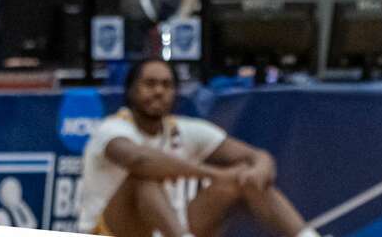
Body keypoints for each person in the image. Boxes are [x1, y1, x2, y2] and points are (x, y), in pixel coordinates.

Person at [77, 58, 319, 237]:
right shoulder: (111, 129)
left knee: (244, 179)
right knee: (144, 179)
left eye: (166, 85)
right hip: (109, 230)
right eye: (149, 84)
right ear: (131, 90)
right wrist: (214, 173)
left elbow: (257, 156)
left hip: (169, 228)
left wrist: (258, 169)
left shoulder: (183, 129)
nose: (158, 91)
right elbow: (140, 162)